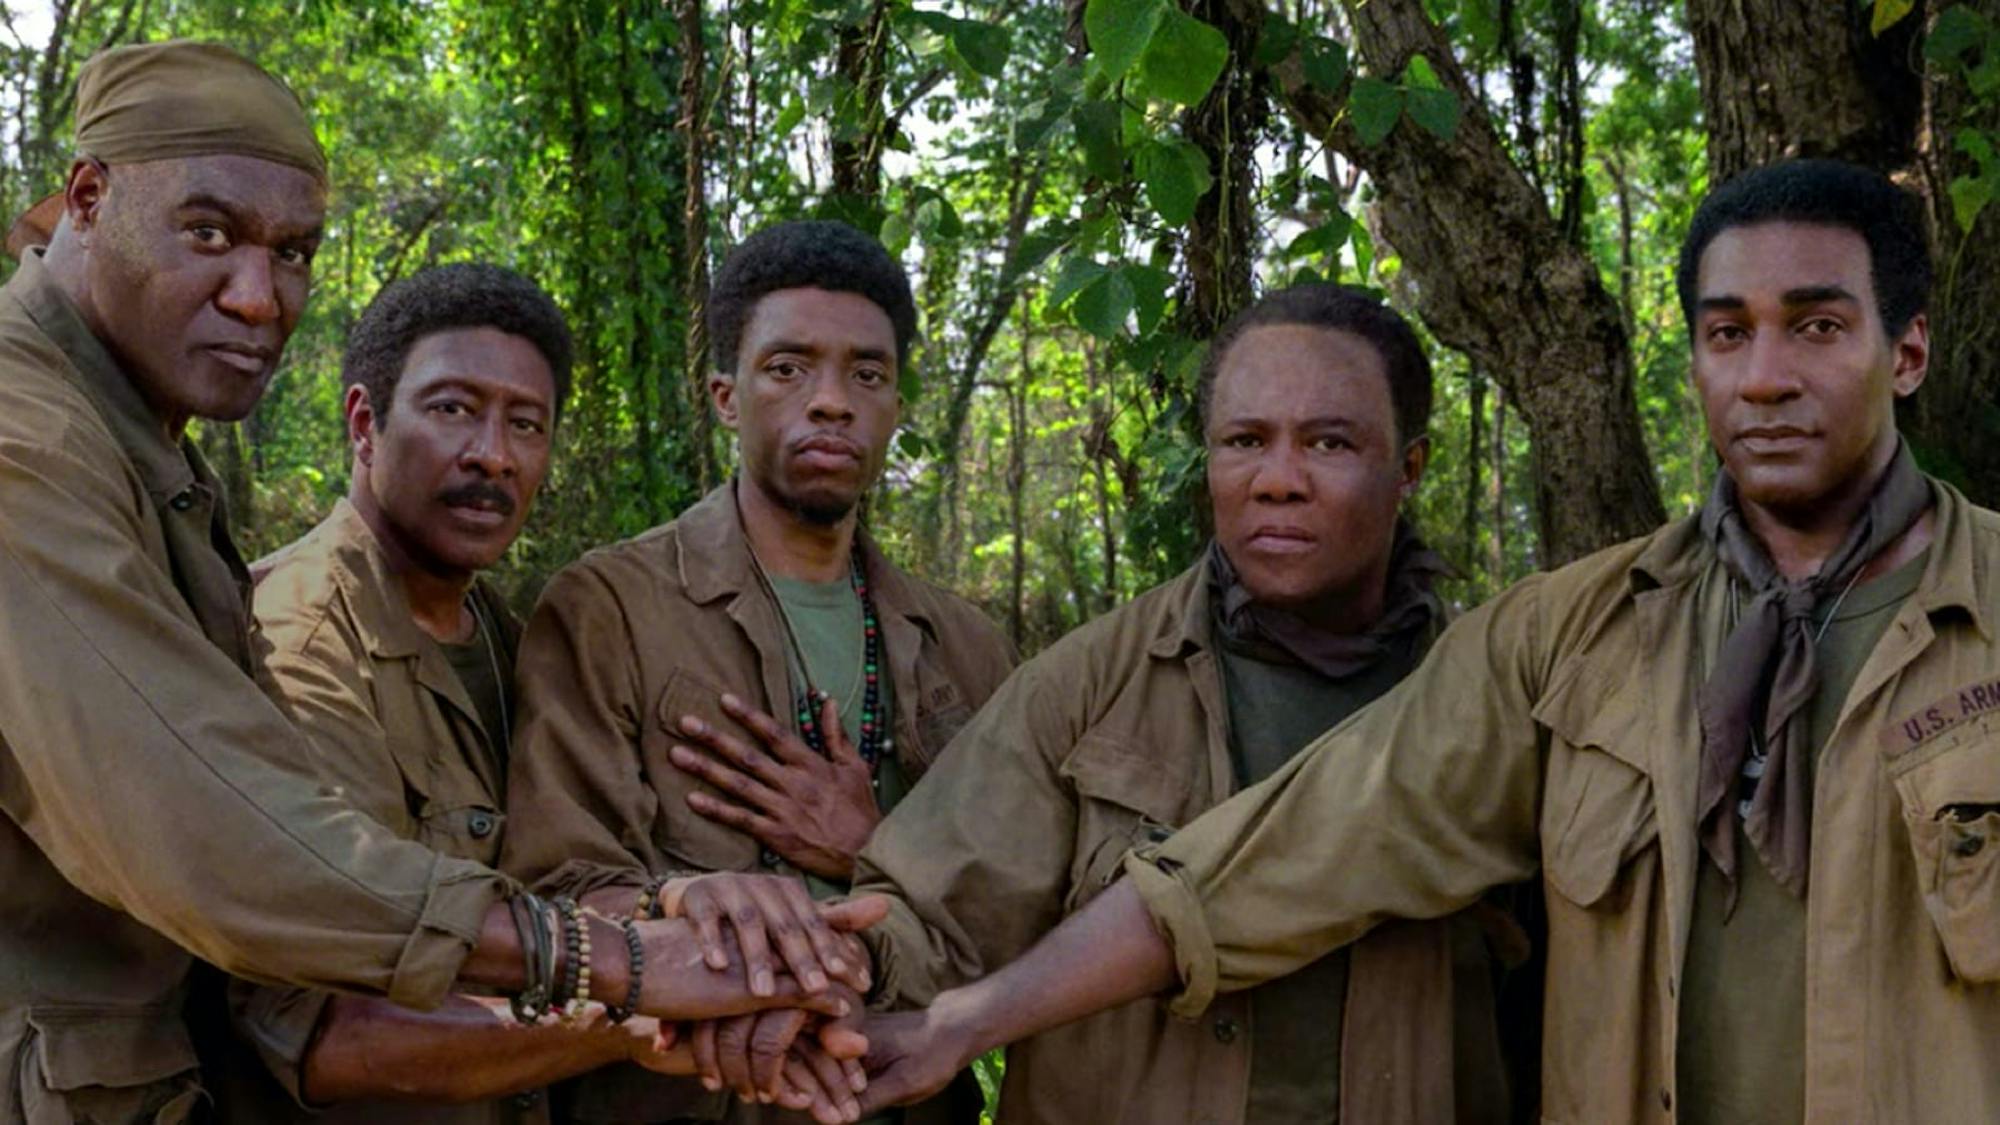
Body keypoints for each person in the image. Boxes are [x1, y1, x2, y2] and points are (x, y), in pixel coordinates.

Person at [854, 158, 2000, 1123]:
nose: (1763, 378)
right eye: (1724, 334)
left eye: (1814, 327)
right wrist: (967, 1019)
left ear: (1903, 353)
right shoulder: (1570, 641)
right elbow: (1281, 851)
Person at [0, 41, 861, 1125]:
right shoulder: (25, 445)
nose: (261, 298)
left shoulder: (144, 452)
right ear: (87, 198)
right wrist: (623, 966)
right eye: (208, 232)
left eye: (297, 252)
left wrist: (693, 913)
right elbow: (217, 839)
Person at [843, 282, 1526, 1124]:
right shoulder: (1092, 687)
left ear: (1408, 468)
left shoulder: (1492, 707)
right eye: (1245, 441)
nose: (1278, 481)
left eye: (1330, 443)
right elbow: (925, 920)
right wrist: (785, 965)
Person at [502, 219, 1014, 1123]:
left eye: (867, 374)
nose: (831, 401)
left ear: (896, 404)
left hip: (896, 1099)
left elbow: (1016, 911)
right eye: (788, 368)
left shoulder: (965, 646)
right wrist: (702, 919)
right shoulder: (610, 608)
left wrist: (872, 846)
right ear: (726, 396)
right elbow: (551, 896)